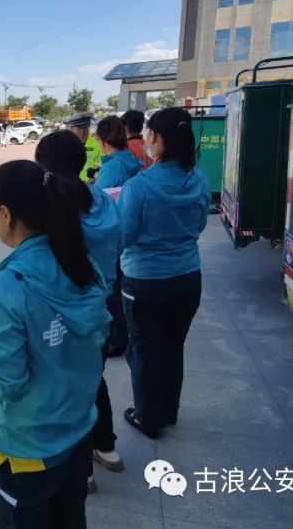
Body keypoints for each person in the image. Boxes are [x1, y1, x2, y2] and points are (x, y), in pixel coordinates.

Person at [0, 159, 108, 529]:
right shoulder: (81, 262)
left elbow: (5, 381)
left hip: (26, 447)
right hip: (77, 428)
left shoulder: (9, 287)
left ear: (6, 214)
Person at [34, 131, 125, 495]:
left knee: (71, 387)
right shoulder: (102, 199)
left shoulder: (52, 211)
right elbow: (119, 245)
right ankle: (107, 447)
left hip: (64, 314)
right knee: (93, 376)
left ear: (45, 170)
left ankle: (83, 469)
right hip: (101, 308)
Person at [118, 107, 210, 439]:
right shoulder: (199, 180)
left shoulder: (138, 187)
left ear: (156, 138)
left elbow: (124, 235)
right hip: (187, 278)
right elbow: (200, 224)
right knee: (172, 346)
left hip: (144, 282)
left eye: (148, 134)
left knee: (145, 350)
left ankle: (148, 417)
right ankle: (168, 410)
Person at [92, 115, 144, 359]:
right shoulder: (130, 161)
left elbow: (98, 202)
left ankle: (116, 339)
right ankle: (120, 335)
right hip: (127, 230)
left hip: (113, 232)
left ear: (102, 140)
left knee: (112, 290)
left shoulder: (113, 167)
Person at [62, 112, 102, 182]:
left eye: (85, 128)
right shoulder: (65, 145)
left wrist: (96, 177)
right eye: (79, 129)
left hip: (90, 185)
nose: (82, 132)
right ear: (72, 129)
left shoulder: (98, 144)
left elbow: (104, 166)